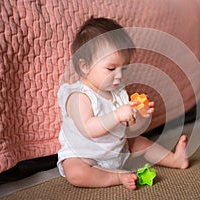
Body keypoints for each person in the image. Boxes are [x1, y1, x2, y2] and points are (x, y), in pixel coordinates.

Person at [57, 17, 189, 190]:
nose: (119, 75)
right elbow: (88, 129)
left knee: (139, 142)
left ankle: (174, 159)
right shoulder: (78, 96)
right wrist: (117, 115)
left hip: (117, 150)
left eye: (124, 68)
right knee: (75, 173)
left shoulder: (118, 93)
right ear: (84, 66)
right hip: (85, 155)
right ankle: (117, 177)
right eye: (111, 69)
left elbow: (129, 128)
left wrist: (140, 117)